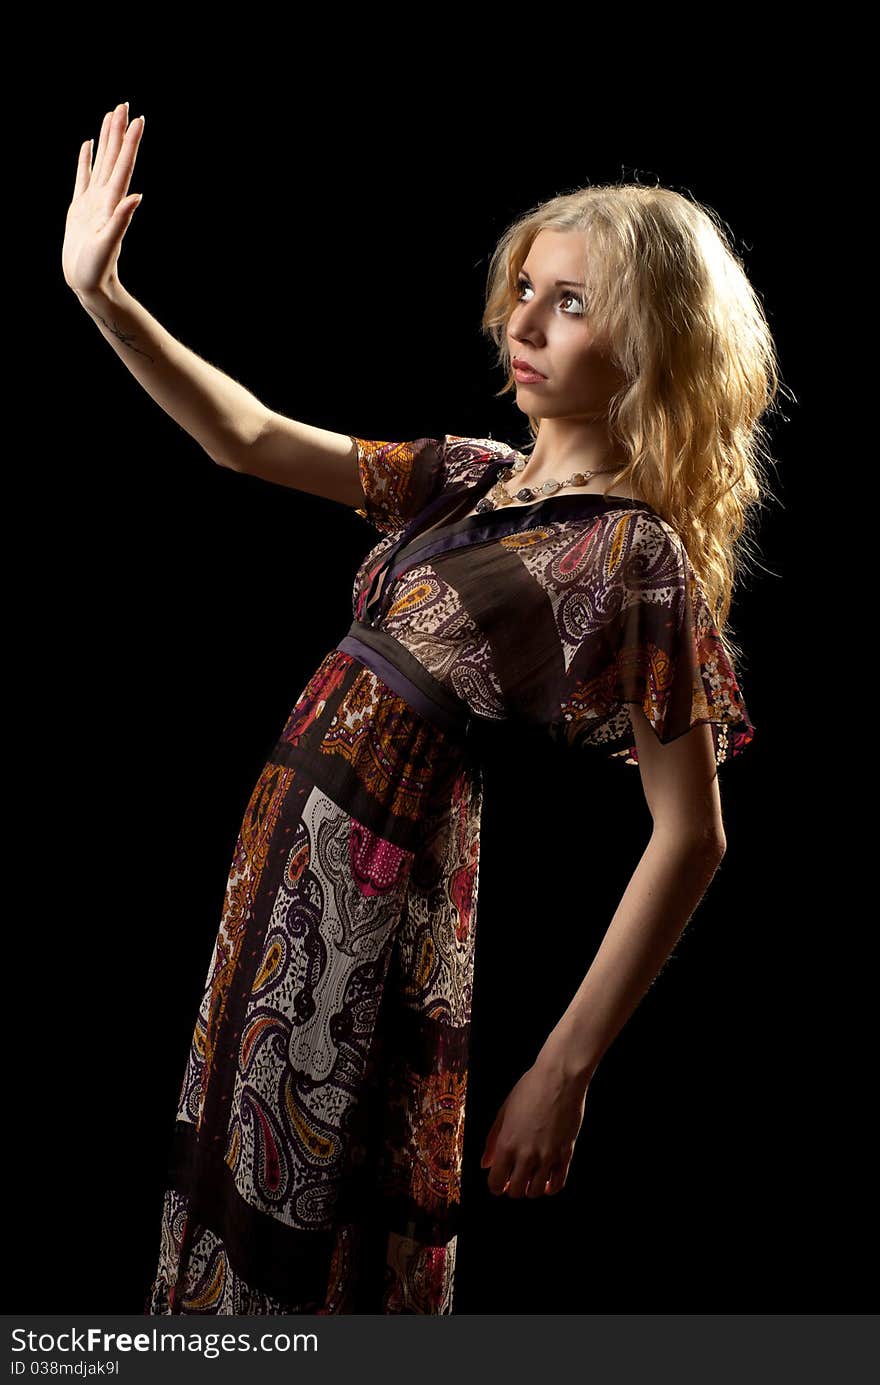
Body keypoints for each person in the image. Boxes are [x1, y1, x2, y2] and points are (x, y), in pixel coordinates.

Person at [63, 103, 770, 1316]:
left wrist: (564, 1066)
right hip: (279, 879)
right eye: (525, 290)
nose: (526, 322)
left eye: (572, 303)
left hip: (372, 905)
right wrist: (103, 297)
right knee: (230, 1212)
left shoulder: (630, 555)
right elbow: (247, 438)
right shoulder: (465, 476)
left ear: (653, 342)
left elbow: (691, 833)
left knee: (316, 1229)